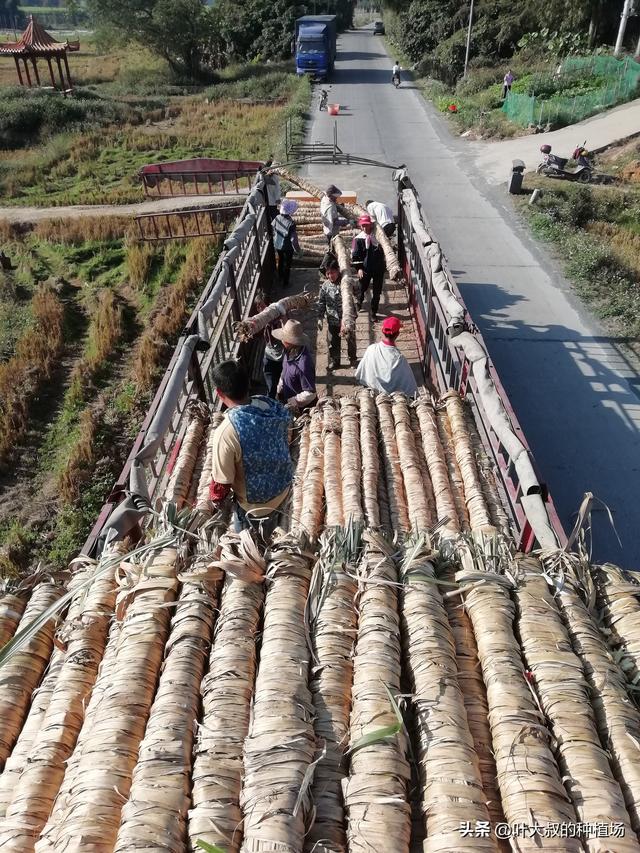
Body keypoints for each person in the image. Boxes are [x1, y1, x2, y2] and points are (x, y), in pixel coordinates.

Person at [209, 359, 293, 537]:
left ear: (219, 393)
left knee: (251, 543)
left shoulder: (227, 431)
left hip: (256, 507)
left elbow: (221, 485)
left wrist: (213, 502)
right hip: (283, 488)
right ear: (248, 384)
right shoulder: (268, 404)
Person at [356, 316, 418, 395]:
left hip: (370, 393)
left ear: (382, 331)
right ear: (398, 334)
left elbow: (359, 374)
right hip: (388, 400)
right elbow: (410, 389)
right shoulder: (399, 359)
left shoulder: (371, 348)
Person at [317, 260, 357, 371]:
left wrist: (355, 310)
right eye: (328, 273)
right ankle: (335, 361)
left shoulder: (345, 283)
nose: (330, 275)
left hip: (346, 319)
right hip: (332, 319)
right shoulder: (325, 286)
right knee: (333, 342)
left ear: (338, 271)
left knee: (351, 339)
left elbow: (356, 293)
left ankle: (352, 360)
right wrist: (320, 317)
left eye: (333, 272)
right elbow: (321, 302)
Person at [274, 319, 317, 412]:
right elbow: (284, 371)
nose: (281, 340)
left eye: (283, 338)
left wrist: (291, 401)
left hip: (302, 409)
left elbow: (310, 393)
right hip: (289, 399)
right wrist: (279, 389)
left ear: (289, 342)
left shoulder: (303, 363)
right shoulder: (288, 352)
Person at [352, 213, 386, 321]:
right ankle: (358, 303)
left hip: (378, 268)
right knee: (362, 288)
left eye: (366, 225)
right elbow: (355, 255)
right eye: (363, 225)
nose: (364, 227)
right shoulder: (358, 239)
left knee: (377, 292)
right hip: (365, 268)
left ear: (371, 225)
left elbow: (386, 250)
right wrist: (359, 268)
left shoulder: (379, 237)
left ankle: (373, 312)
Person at [272, 199, 300, 288]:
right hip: (287, 247)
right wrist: (298, 250)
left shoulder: (277, 218)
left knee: (280, 260)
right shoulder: (291, 223)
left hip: (277, 245)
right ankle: (285, 283)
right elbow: (293, 240)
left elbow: (273, 228)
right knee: (287, 264)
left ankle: (280, 277)